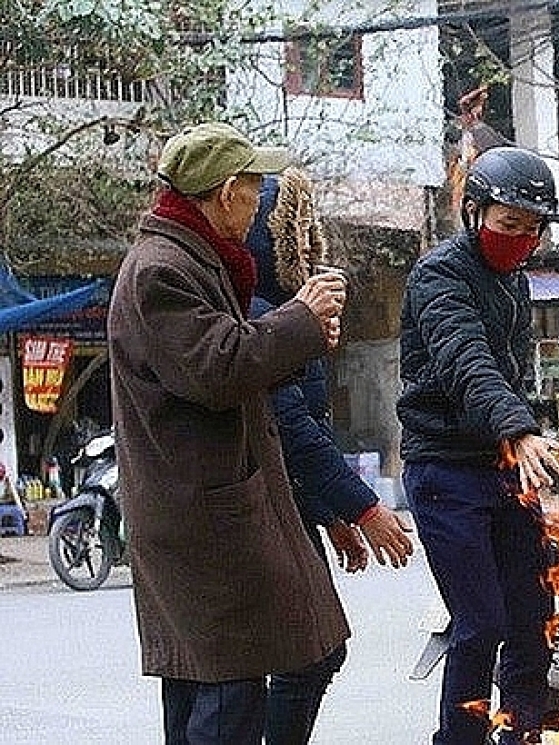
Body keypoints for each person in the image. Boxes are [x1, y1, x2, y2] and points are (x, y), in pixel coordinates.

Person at [107, 121, 351, 744]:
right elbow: (217, 368)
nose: (259, 205)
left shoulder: (194, 259)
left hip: (207, 508)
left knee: (213, 679)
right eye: (253, 190)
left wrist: (297, 336)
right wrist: (301, 318)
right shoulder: (162, 270)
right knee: (225, 687)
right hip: (200, 516)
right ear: (224, 194)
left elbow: (225, 358)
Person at [396, 146, 559, 745]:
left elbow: (512, 373)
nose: (519, 239)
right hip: (445, 470)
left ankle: (520, 734)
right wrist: (516, 428)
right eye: (508, 223)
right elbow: (466, 362)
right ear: (474, 213)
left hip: (503, 467)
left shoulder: (516, 281)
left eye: (531, 229)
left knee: (533, 619)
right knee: (480, 623)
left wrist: (531, 433)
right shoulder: (439, 276)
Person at [247, 169, 415, 745]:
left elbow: (307, 422)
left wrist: (331, 514)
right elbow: (291, 426)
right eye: (293, 236)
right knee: (308, 655)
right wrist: (363, 508)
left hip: (294, 507)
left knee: (312, 654)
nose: (307, 248)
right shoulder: (260, 311)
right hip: (265, 511)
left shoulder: (289, 310)